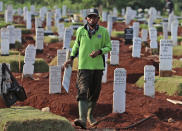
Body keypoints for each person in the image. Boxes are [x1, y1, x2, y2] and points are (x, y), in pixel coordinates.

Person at [64, 8, 111, 129]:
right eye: (89, 17)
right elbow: (76, 45)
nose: (92, 19)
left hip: (97, 67)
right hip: (83, 66)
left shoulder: (103, 31)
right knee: (82, 91)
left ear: (98, 19)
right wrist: (71, 58)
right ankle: (83, 119)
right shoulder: (80, 31)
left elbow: (108, 47)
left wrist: (99, 51)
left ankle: (90, 116)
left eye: (94, 17)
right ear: (86, 19)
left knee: (95, 92)